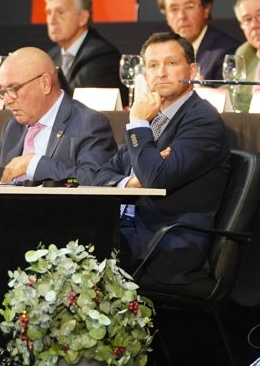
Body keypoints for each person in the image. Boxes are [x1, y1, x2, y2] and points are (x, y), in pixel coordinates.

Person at [91, 32, 231, 284]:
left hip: (169, 242)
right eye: (153, 66)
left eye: (171, 63)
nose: (161, 72)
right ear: (145, 76)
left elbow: (156, 177)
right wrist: (130, 183)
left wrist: (137, 123)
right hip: (132, 230)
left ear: (192, 70)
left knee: (77, 252)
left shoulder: (202, 120)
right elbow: (101, 175)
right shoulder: (153, 117)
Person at [0, 47, 117, 184]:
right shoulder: (15, 125)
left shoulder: (88, 123)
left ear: (45, 83)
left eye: (13, 89)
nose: (7, 100)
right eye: (3, 91)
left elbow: (96, 179)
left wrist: (35, 165)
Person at [43, 0, 124, 99]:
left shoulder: (102, 55)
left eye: (60, 12)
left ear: (83, 18)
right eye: (49, 13)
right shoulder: (50, 57)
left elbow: (72, 99)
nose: (52, 20)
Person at [157, 0, 239, 80]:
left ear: (206, 10)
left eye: (189, 7)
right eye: (174, 9)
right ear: (167, 16)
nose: (182, 16)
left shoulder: (227, 53)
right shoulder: (162, 54)